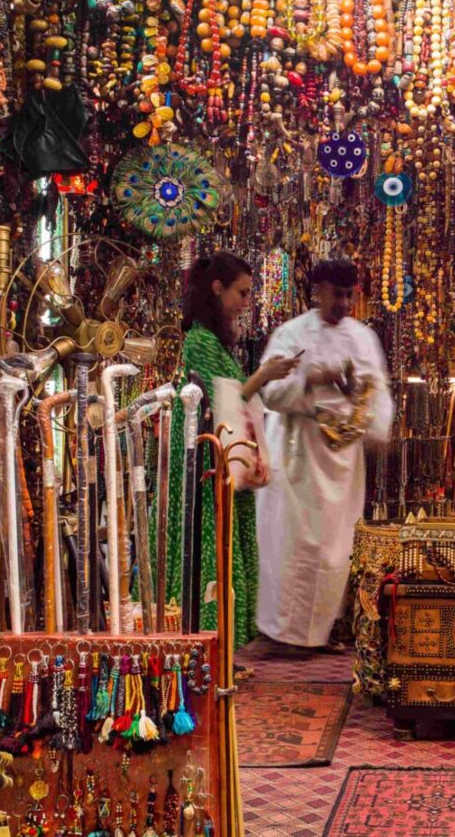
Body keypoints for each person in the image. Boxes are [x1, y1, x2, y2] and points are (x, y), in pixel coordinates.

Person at [255, 259, 393, 652]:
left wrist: (377, 425)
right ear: (320, 291)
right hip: (297, 454)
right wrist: (309, 379)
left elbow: (376, 391)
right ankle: (282, 634)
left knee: (336, 547)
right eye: (337, 293)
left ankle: (319, 632)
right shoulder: (291, 333)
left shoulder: (363, 338)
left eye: (350, 295)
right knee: (293, 542)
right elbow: (269, 391)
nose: (345, 303)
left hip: (342, 458)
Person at [180, 252, 300, 650]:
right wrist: (263, 375)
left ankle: (224, 650)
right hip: (207, 461)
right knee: (211, 551)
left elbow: (233, 397)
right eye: (242, 292)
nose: (247, 301)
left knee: (231, 547)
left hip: (225, 458)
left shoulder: (213, 339)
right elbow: (221, 398)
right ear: (218, 289)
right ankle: (209, 648)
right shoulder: (199, 339)